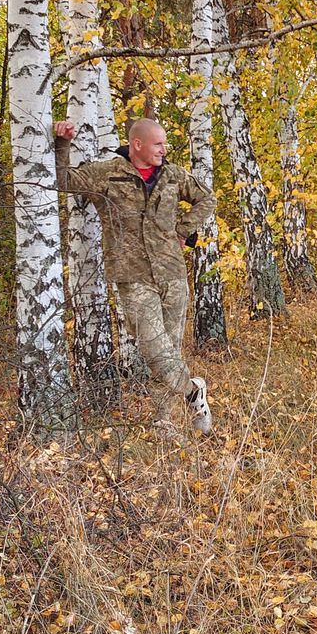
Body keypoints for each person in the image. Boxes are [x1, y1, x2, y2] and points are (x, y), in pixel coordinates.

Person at [54, 117, 216, 437]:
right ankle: (193, 391)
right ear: (137, 144)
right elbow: (64, 180)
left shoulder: (172, 175)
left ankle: (163, 421)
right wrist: (63, 143)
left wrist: (182, 230)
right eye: (158, 144)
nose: (164, 149)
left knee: (169, 350)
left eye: (165, 143)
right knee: (154, 348)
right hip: (133, 275)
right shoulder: (109, 173)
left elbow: (207, 198)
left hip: (172, 273)